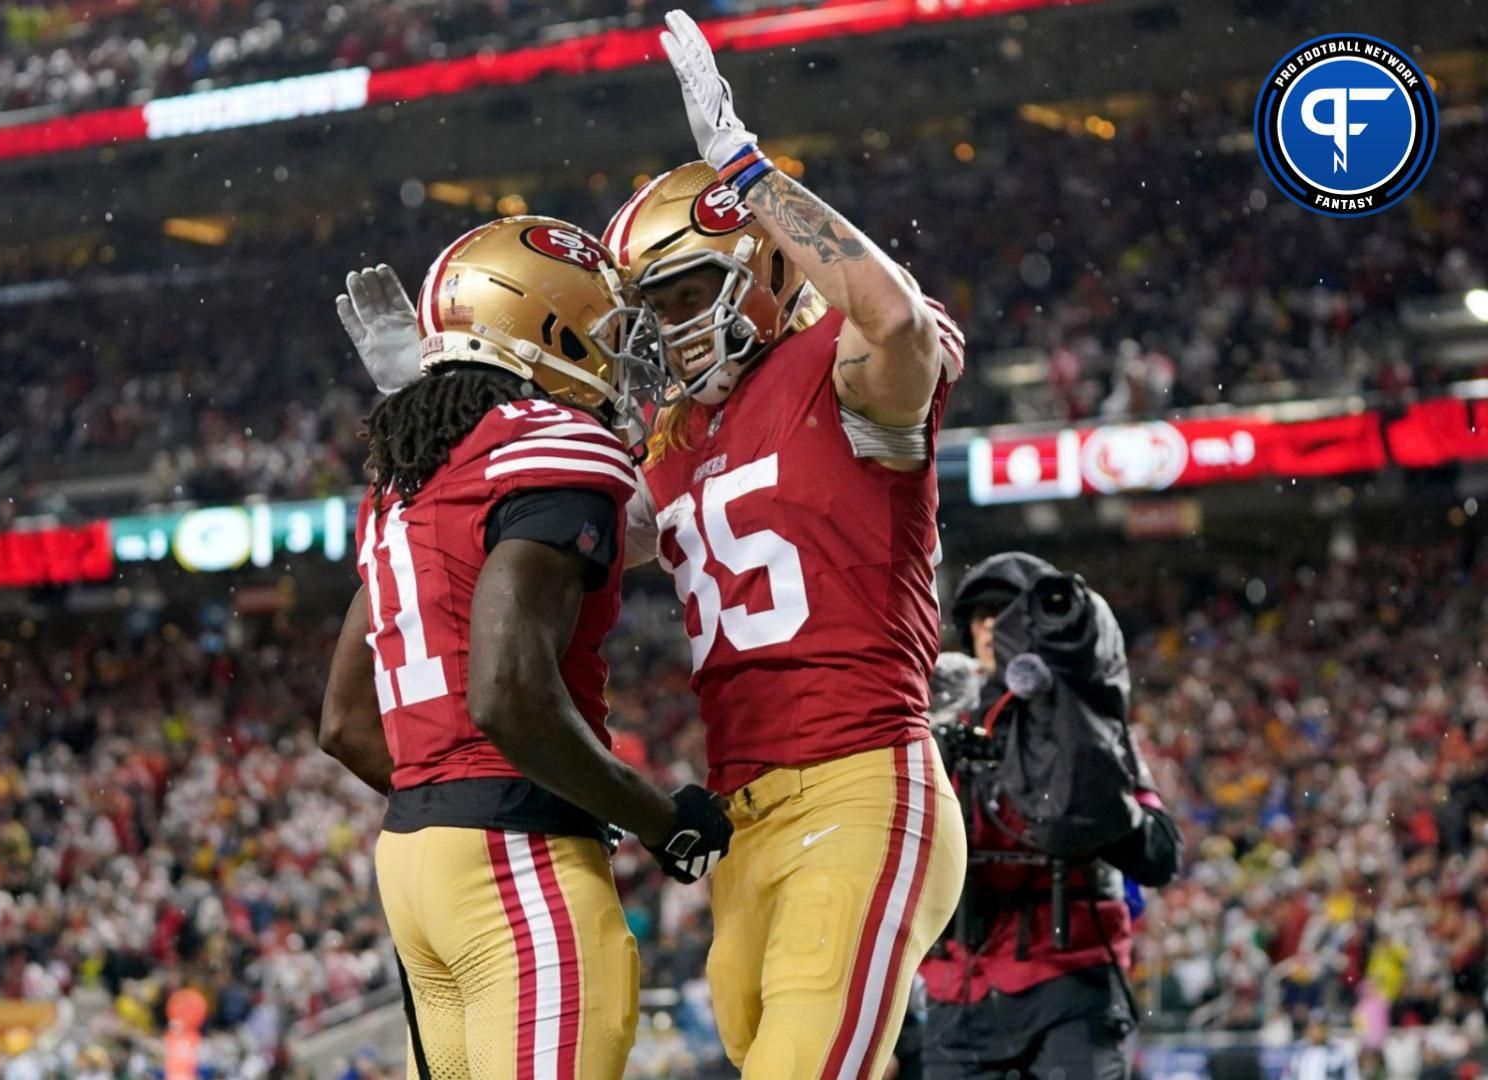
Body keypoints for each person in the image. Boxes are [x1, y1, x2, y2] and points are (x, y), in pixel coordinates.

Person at [338, 14, 969, 1074]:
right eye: (650, 306)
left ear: (762, 260)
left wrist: (750, 171)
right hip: (741, 813)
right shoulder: (673, 436)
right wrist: (435, 394)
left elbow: (899, 326)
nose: (666, 328)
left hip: (864, 778)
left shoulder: (840, 364)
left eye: (684, 292)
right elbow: (498, 536)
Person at [320, 215, 734, 1080]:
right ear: (549, 329)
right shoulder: (552, 448)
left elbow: (346, 724)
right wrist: (661, 822)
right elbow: (507, 695)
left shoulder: (402, 483)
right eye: (606, 332)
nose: (620, 359)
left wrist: (454, 798)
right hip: (517, 865)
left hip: (413, 864)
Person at [917, 552, 1184, 1080]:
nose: (992, 624)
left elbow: (1160, 853)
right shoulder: (937, 725)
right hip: (958, 996)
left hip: (1070, 988)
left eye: (1009, 610)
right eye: (980, 614)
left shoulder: (1094, 734)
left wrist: (1097, 807)